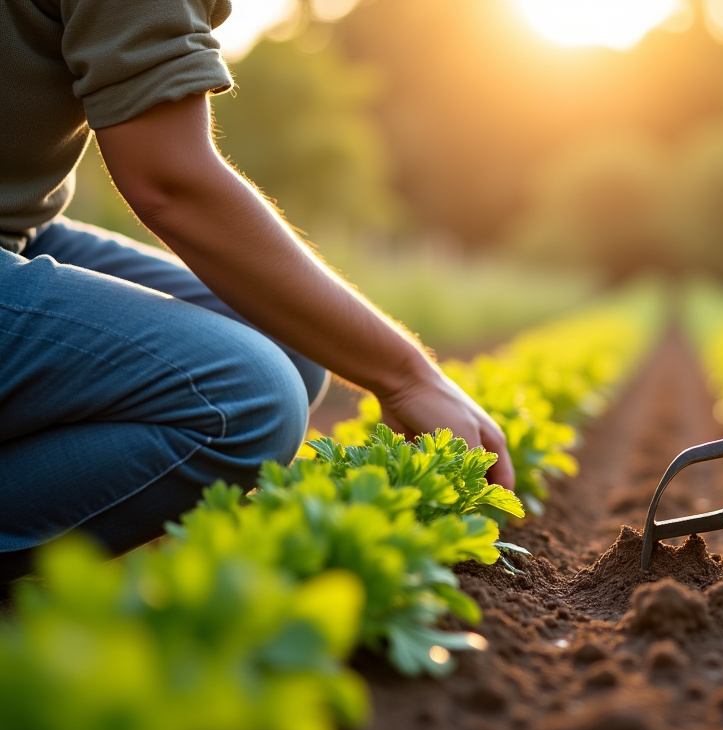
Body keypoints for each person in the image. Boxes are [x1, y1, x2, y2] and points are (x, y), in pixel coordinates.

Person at [0, 0, 514, 581]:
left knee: (294, 345)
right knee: (247, 398)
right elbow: (171, 179)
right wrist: (406, 374)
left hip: (21, 223)